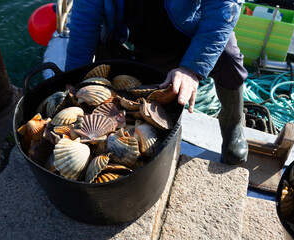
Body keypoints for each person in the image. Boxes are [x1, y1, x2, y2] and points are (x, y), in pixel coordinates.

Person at [64, 0, 248, 165]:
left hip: (187, 33)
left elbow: (224, 8)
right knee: (126, 98)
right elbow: (84, 21)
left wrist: (191, 68)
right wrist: (73, 85)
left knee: (228, 58)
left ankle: (233, 123)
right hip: (133, 38)